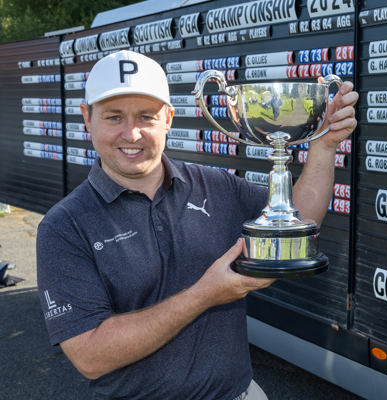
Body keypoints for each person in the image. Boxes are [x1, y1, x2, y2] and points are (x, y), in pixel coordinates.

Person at [36, 50, 358, 399]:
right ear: (88, 118)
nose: (131, 134)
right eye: (114, 117)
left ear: (169, 118)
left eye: (146, 116)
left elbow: (301, 220)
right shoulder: (64, 226)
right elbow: (90, 356)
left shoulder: (216, 186)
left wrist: (325, 145)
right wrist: (205, 294)